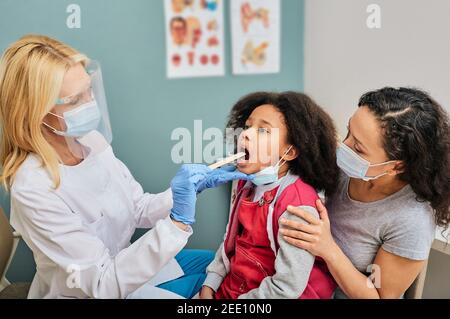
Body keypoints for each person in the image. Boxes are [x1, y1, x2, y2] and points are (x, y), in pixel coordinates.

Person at [0, 34, 252, 299]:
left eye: (89, 89)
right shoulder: (33, 189)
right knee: (211, 292)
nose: (89, 103)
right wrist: (178, 222)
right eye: (75, 100)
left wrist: (185, 193)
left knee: (215, 264)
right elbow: (101, 284)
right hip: (97, 289)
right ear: (35, 112)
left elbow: (136, 207)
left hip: (124, 265)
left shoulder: (91, 141)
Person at [281, 87, 450, 298]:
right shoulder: (345, 166)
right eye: (349, 131)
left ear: (396, 166)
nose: (344, 146)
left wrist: (328, 249)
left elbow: (379, 296)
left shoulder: (412, 220)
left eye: (358, 148)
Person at [199, 92, 340, 299]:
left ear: (289, 152)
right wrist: (210, 284)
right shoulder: (244, 183)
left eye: (263, 130)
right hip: (234, 289)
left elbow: (286, 289)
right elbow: (231, 240)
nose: (245, 135)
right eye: (247, 127)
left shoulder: (298, 207)